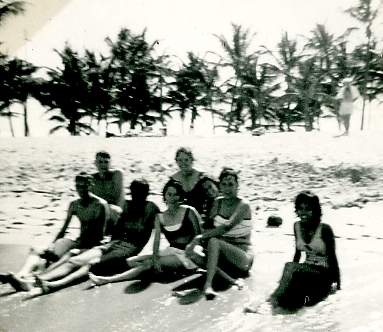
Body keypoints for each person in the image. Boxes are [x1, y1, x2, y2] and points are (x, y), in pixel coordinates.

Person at [18, 179, 159, 294]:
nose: (136, 195)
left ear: (147, 193)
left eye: (140, 192)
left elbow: (162, 229)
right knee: (75, 260)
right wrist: (106, 244)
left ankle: (53, 285)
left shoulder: (151, 208)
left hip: (129, 249)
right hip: (113, 243)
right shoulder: (127, 205)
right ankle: (33, 281)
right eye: (134, 192)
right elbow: (117, 230)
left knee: (91, 265)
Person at [1, 172, 108, 292]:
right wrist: (52, 246)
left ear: (91, 185)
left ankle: (33, 280)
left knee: (71, 253)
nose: (81, 190)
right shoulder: (74, 204)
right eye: (78, 186)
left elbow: (100, 235)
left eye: (84, 186)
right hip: (79, 241)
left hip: (92, 245)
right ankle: (21, 275)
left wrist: (78, 248)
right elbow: (63, 230)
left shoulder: (100, 205)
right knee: (37, 249)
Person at [89, 180, 202, 285]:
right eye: (169, 194)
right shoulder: (160, 216)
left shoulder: (189, 211)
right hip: (172, 250)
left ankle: (108, 280)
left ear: (181, 195)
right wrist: (155, 258)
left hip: (188, 253)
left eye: (176, 194)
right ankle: (157, 270)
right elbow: (157, 240)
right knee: (130, 261)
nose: (172, 198)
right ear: (164, 196)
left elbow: (199, 236)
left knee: (148, 263)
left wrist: (193, 248)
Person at [186, 167, 254, 300]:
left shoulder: (244, 205)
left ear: (237, 185)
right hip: (222, 255)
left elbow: (226, 227)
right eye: (224, 184)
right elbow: (209, 227)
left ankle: (208, 285)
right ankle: (230, 280)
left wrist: (198, 238)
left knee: (213, 241)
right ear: (219, 185)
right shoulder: (217, 202)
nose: (227, 188)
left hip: (242, 257)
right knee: (191, 252)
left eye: (231, 184)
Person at [266, 191, 341, 310]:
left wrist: (337, 286)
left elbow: (333, 258)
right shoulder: (297, 226)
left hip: (323, 274)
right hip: (307, 270)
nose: (303, 212)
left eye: (307, 209)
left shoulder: (325, 229)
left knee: (289, 267)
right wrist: (287, 276)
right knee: (288, 297)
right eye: (300, 208)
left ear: (315, 210)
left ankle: (270, 301)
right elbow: (297, 254)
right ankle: (275, 302)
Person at [170, 147, 211, 215]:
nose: (183, 163)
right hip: (181, 216)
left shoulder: (202, 177)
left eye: (186, 160)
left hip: (202, 214)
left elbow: (214, 197)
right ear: (176, 161)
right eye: (180, 160)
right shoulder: (173, 180)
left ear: (192, 160)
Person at [91, 151, 125, 224]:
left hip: (115, 210)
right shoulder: (92, 178)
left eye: (106, 162)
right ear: (95, 163)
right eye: (100, 162)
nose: (103, 164)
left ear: (110, 163)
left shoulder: (116, 174)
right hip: (99, 211)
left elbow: (120, 197)